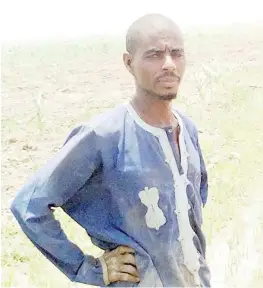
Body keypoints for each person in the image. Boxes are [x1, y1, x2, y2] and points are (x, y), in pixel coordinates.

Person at [10, 13, 211, 287]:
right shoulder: (104, 135)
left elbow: (192, 208)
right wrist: (85, 267)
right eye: (154, 55)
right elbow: (29, 206)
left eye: (177, 54)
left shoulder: (186, 129)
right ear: (129, 62)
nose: (169, 64)